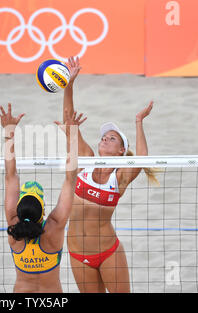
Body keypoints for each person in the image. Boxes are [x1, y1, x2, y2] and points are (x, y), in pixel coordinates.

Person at [63, 56, 158, 293]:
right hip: (77, 253)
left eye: (112, 138)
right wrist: (69, 85)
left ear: (121, 151)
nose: (105, 138)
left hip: (108, 252)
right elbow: (68, 121)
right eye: (104, 136)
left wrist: (138, 121)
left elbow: (142, 160)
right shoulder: (85, 161)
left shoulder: (120, 178)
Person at [0, 102, 81, 292]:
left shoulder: (13, 229)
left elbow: (11, 175)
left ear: (18, 208)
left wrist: (9, 133)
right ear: (44, 211)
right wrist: (71, 137)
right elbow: (70, 178)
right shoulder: (54, 227)